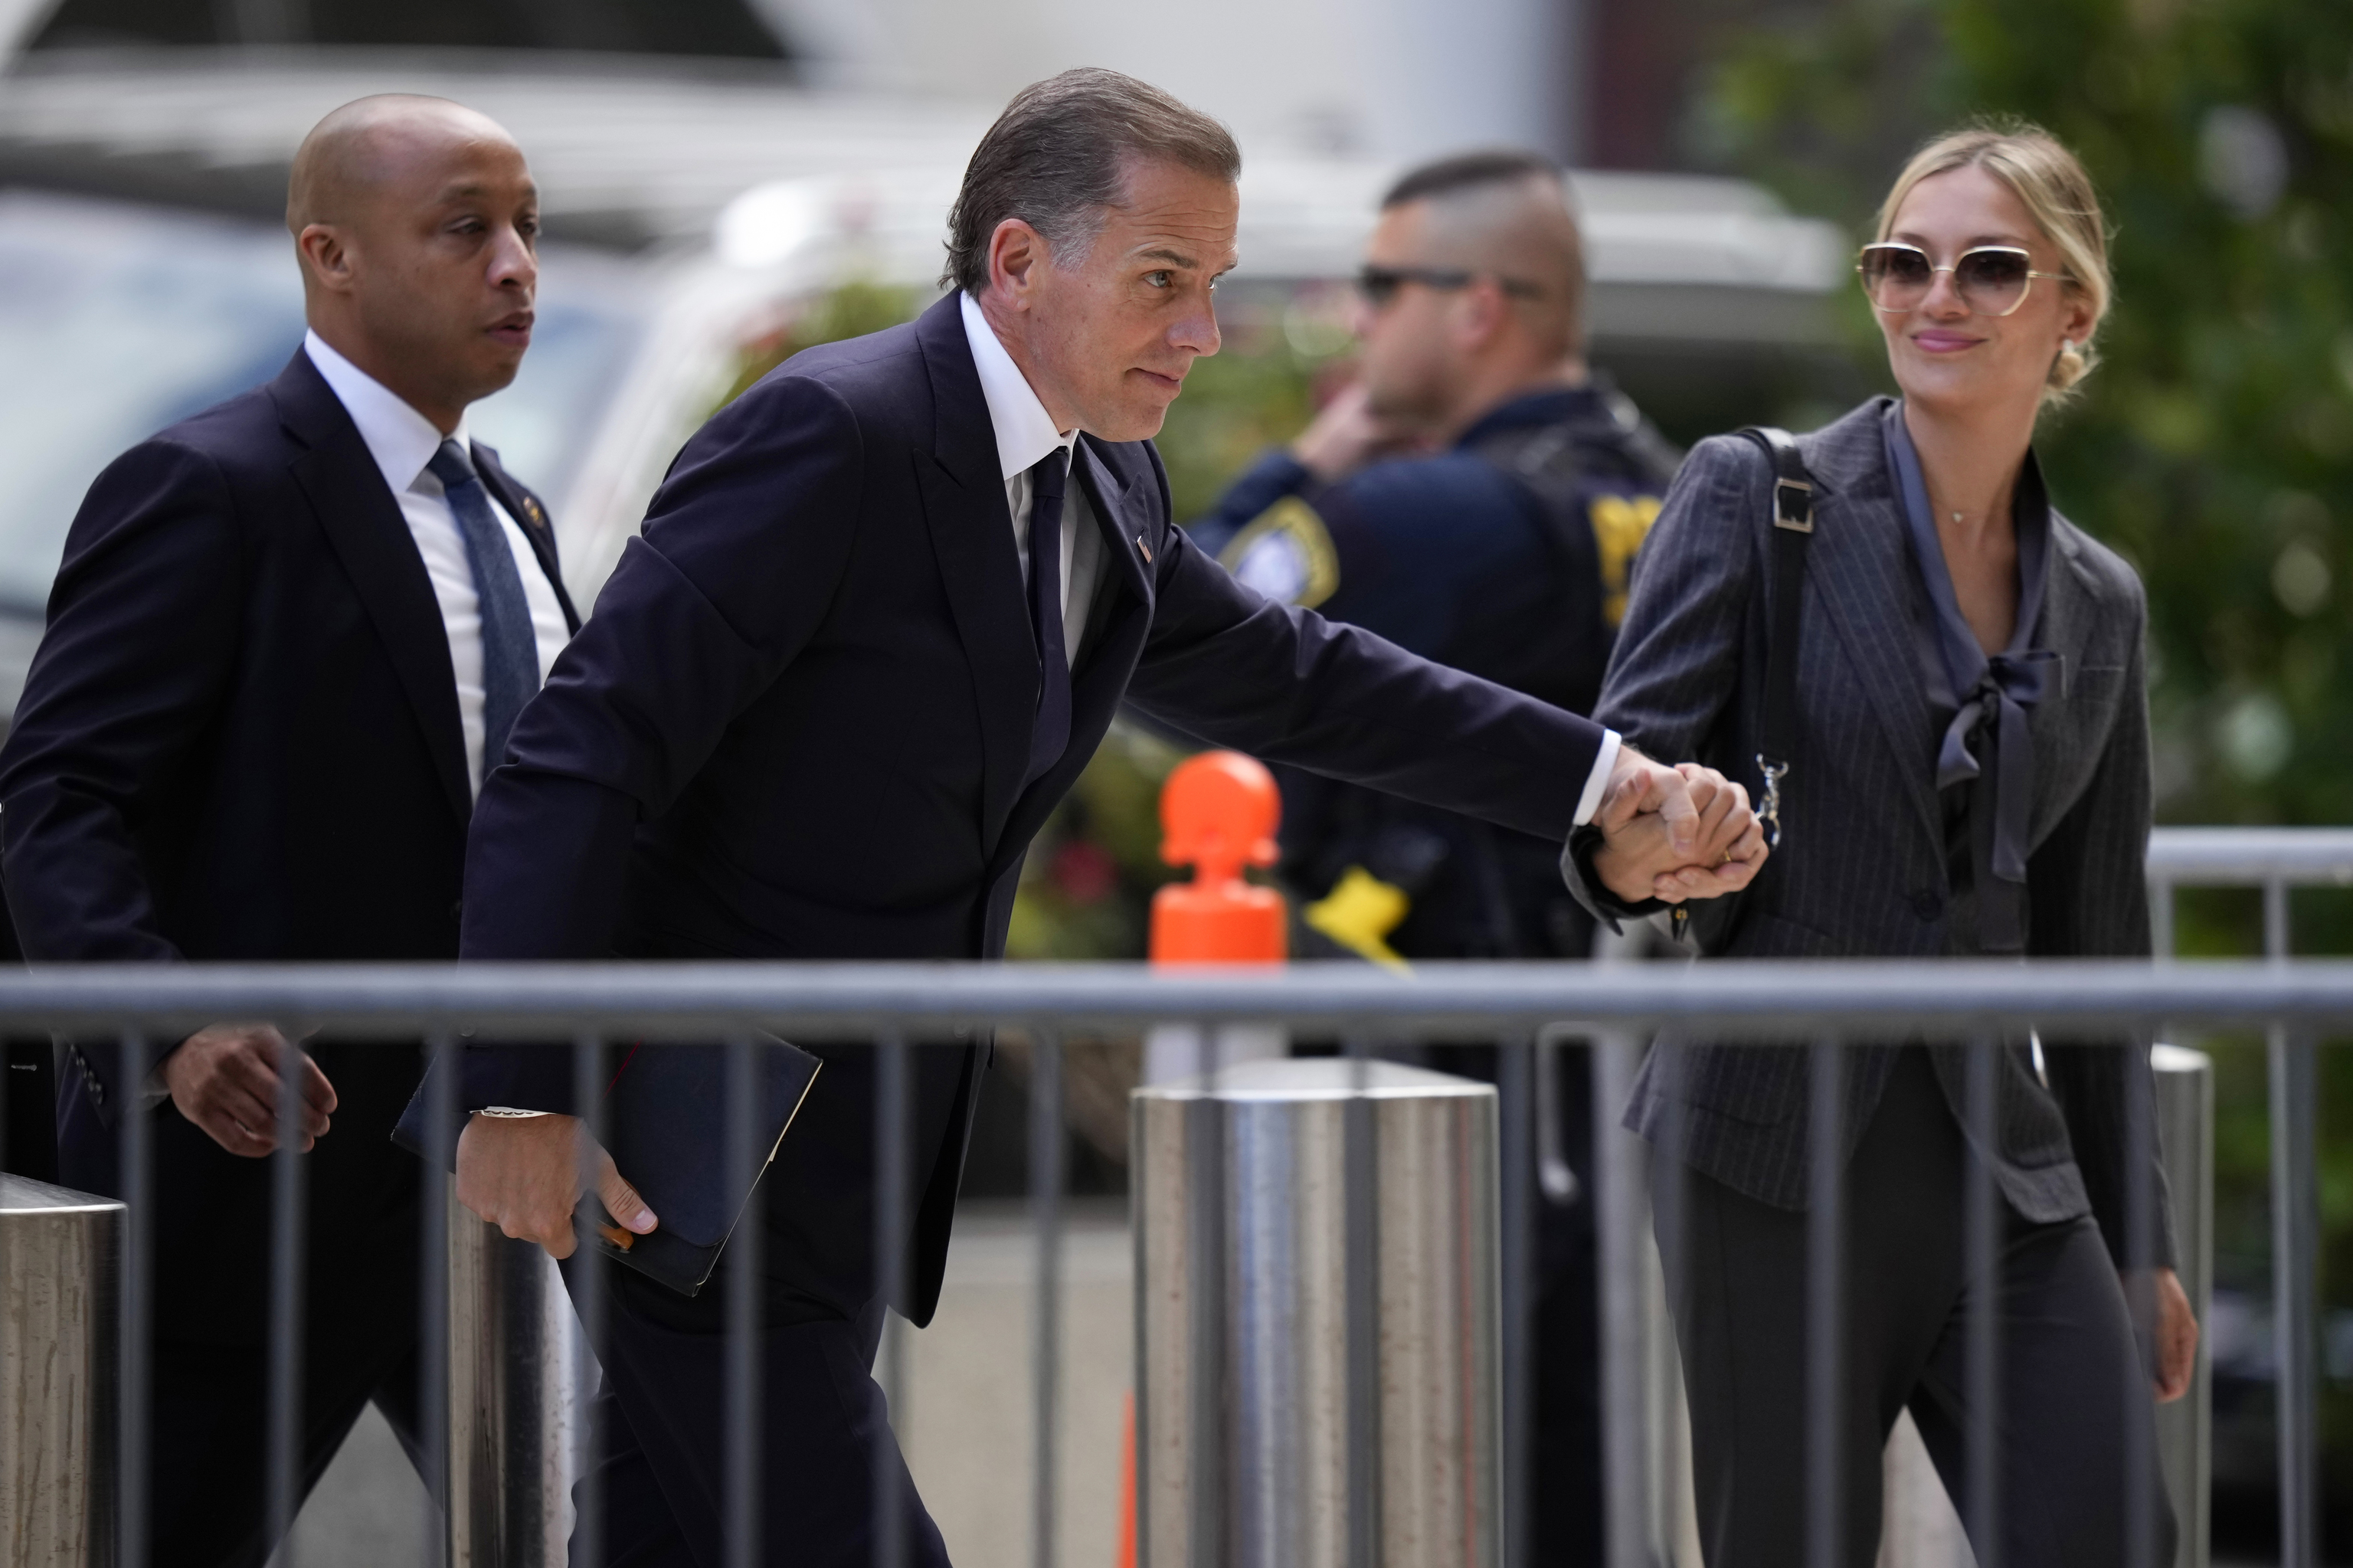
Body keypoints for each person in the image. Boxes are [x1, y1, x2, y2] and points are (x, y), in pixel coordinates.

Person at [438, 70, 1765, 1568]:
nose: (1203, 332)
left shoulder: (1105, 477)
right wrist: (518, 1087)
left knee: (658, 1532)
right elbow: (582, 747)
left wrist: (1609, 788)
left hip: (839, 1153)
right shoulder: (832, 433)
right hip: (680, 1139)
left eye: (1211, 285)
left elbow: (1303, 682)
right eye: (1160, 282)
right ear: (1016, 264)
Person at [1563, 123, 2199, 1568]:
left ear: (2072, 309)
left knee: (2115, 1538)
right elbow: (1614, 790)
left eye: (1987, 266)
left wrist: (2138, 1231)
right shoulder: (1756, 494)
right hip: (1765, 1143)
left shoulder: (2100, 601)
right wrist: (1652, 838)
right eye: (1902, 262)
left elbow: (2101, 947)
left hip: (2005, 1163)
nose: (1937, 296)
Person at [0, 96, 577, 1568]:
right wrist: (173, 1023)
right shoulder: (210, 487)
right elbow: (59, 797)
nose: (516, 265)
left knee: (597, 1533)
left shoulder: (507, 506)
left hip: (485, 1185)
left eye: (527, 226)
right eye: (466, 229)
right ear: (330, 256)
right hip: (253, 1198)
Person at [1189, 147, 1677, 1565]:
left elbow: (1177, 618)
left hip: (1432, 1051)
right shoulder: (1662, 493)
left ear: (1477, 307)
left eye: (1384, 284)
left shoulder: (1432, 514)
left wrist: (1315, 457)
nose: (1355, 318)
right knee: (1572, 1458)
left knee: (1413, 1472)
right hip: (1613, 1070)